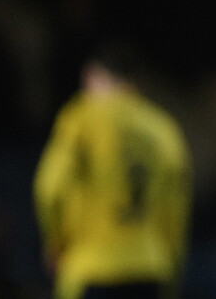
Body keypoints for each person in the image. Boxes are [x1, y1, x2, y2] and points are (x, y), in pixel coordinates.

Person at [33, 39, 193, 299]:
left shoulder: (81, 118)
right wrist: (172, 265)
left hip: (92, 268)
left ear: (92, 75)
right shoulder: (164, 130)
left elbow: (50, 186)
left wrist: (55, 241)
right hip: (150, 268)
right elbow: (176, 207)